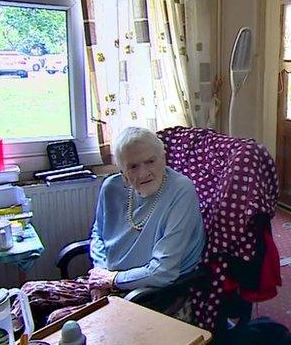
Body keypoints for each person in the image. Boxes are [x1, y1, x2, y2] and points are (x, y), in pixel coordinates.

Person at [21, 126, 205, 325]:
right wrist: (101, 275)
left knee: (58, 322)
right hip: (109, 280)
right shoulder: (112, 187)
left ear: (164, 158)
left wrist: (113, 280)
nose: (144, 173)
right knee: (28, 296)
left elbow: (163, 271)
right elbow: (98, 234)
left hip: (151, 291)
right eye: (133, 166)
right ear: (123, 171)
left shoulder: (181, 190)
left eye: (150, 161)